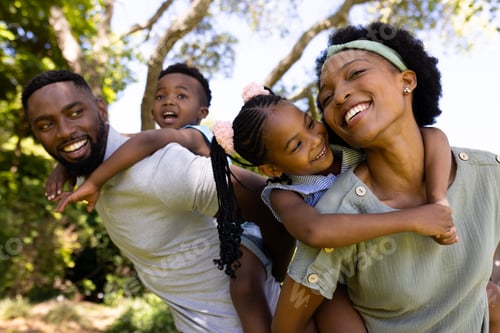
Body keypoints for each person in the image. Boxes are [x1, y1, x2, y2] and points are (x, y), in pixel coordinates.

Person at [21, 69, 290, 333]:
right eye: (46, 125)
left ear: (101, 110)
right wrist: (66, 166)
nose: (65, 131)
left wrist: (286, 272)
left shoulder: (160, 166)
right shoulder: (87, 159)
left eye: (75, 112)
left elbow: (259, 194)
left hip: (256, 310)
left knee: (245, 283)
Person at [273, 21, 500, 333]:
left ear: (406, 81)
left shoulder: (488, 176)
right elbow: (286, 327)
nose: (339, 96)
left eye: (355, 74)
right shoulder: (339, 216)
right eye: (326, 98)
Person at [209, 83, 457, 332]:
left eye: (309, 123)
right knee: (325, 308)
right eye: (296, 146)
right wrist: (412, 219)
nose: (315, 140)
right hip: (343, 278)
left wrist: (438, 200)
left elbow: (432, 136)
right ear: (272, 169)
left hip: (397, 257)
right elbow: (313, 231)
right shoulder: (284, 195)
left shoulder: (349, 142)